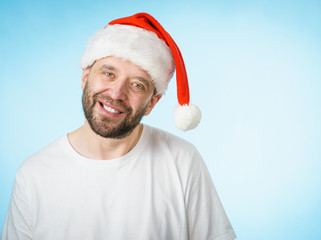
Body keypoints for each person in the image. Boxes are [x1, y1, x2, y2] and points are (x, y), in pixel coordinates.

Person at [1, 13, 236, 240]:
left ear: (151, 103)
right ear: (85, 77)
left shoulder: (182, 161)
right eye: (109, 73)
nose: (116, 93)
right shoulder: (34, 174)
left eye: (137, 85)